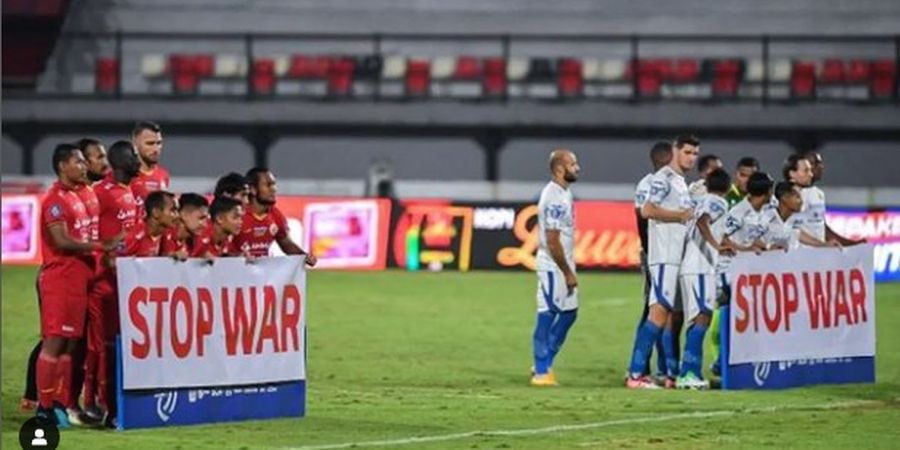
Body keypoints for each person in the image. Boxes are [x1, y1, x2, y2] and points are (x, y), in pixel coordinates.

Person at [35, 144, 120, 428]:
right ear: (63, 166)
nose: (85, 166)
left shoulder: (87, 195)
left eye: (85, 162)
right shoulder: (54, 200)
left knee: (71, 345)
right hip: (61, 278)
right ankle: (43, 408)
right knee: (54, 343)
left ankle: (59, 403)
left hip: (83, 278)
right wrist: (99, 246)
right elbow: (60, 241)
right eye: (79, 162)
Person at [625, 134, 697, 389]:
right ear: (676, 152)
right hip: (663, 257)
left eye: (694, 153)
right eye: (687, 153)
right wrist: (679, 216)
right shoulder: (662, 179)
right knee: (657, 313)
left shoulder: (679, 182)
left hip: (674, 257)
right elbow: (647, 210)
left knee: (661, 313)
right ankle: (636, 374)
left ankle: (647, 373)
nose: (692, 158)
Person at [88, 140, 141, 428]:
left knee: (117, 347)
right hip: (103, 282)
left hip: (124, 281)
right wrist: (103, 258)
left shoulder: (128, 192)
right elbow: (89, 232)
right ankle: (97, 405)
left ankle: (110, 404)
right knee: (102, 348)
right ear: (120, 162)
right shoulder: (102, 193)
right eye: (133, 155)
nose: (137, 160)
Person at [710, 172, 776, 377]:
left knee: (746, 316)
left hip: (747, 271)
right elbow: (722, 240)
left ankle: (735, 361)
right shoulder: (738, 213)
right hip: (727, 270)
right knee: (732, 314)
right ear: (766, 193)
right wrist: (749, 248)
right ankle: (723, 362)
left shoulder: (765, 211)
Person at [677, 168, 733, 389]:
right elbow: (703, 222)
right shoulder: (718, 202)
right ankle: (688, 374)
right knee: (702, 317)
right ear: (727, 188)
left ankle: (690, 371)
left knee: (697, 319)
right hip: (700, 266)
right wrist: (716, 245)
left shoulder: (701, 199)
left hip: (692, 265)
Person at [530, 149, 581, 387]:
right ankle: (541, 372)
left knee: (569, 313)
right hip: (553, 266)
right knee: (548, 313)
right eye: (573, 164)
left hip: (564, 264)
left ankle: (544, 360)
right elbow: (552, 240)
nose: (578, 168)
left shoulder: (564, 193)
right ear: (560, 169)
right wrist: (567, 272)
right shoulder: (553, 197)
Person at [632, 142, 673, 380]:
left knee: (662, 309)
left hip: (666, 255)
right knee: (653, 308)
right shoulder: (649, 185)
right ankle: (641, 366)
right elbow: (642, 219)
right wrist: (650, 252)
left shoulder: (666, 183)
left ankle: (664, 367)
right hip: (655, 255)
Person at [234, 167, 316, 264]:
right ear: (253, 189)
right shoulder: (238, 214)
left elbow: (285, 243)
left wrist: (303, 256)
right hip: (236, 272)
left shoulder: (275, 214)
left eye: (274, 185)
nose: (274, 189)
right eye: (268, 185)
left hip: (261, 273)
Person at [798, 150, 866, 246]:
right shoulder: (795, 194)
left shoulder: (818, 193)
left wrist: (851, 243)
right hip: (801, 255)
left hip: (817, 254)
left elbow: (824, 229)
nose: (821, 167)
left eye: (821, 163)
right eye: (817, 163)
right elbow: (792, 229)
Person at [763, 181, 835, 250]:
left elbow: (799, 235)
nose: (801, 201)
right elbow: (752, 238)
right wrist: (767, 247)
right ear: (784, 198)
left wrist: (824, 245)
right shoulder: (766, 217)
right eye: (797, 197)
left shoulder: (793, 220)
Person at [122, 191, 179, 257]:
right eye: (172, 210)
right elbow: (118, 262)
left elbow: (166, 257)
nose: (177, 215)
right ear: (156, 212)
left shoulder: (166, 234)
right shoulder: (134, 236)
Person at [129, 121, 171, 208]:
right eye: (150, 143)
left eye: (159, 143)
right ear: (135, 144)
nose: (156, 149)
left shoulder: (163, 175)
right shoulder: (125, 176)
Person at [160, 193, 210, 259]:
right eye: (201, 218)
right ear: (183, 215)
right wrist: (171, 256)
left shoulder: (197, 241)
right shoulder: (164, 233)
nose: (205, 225)